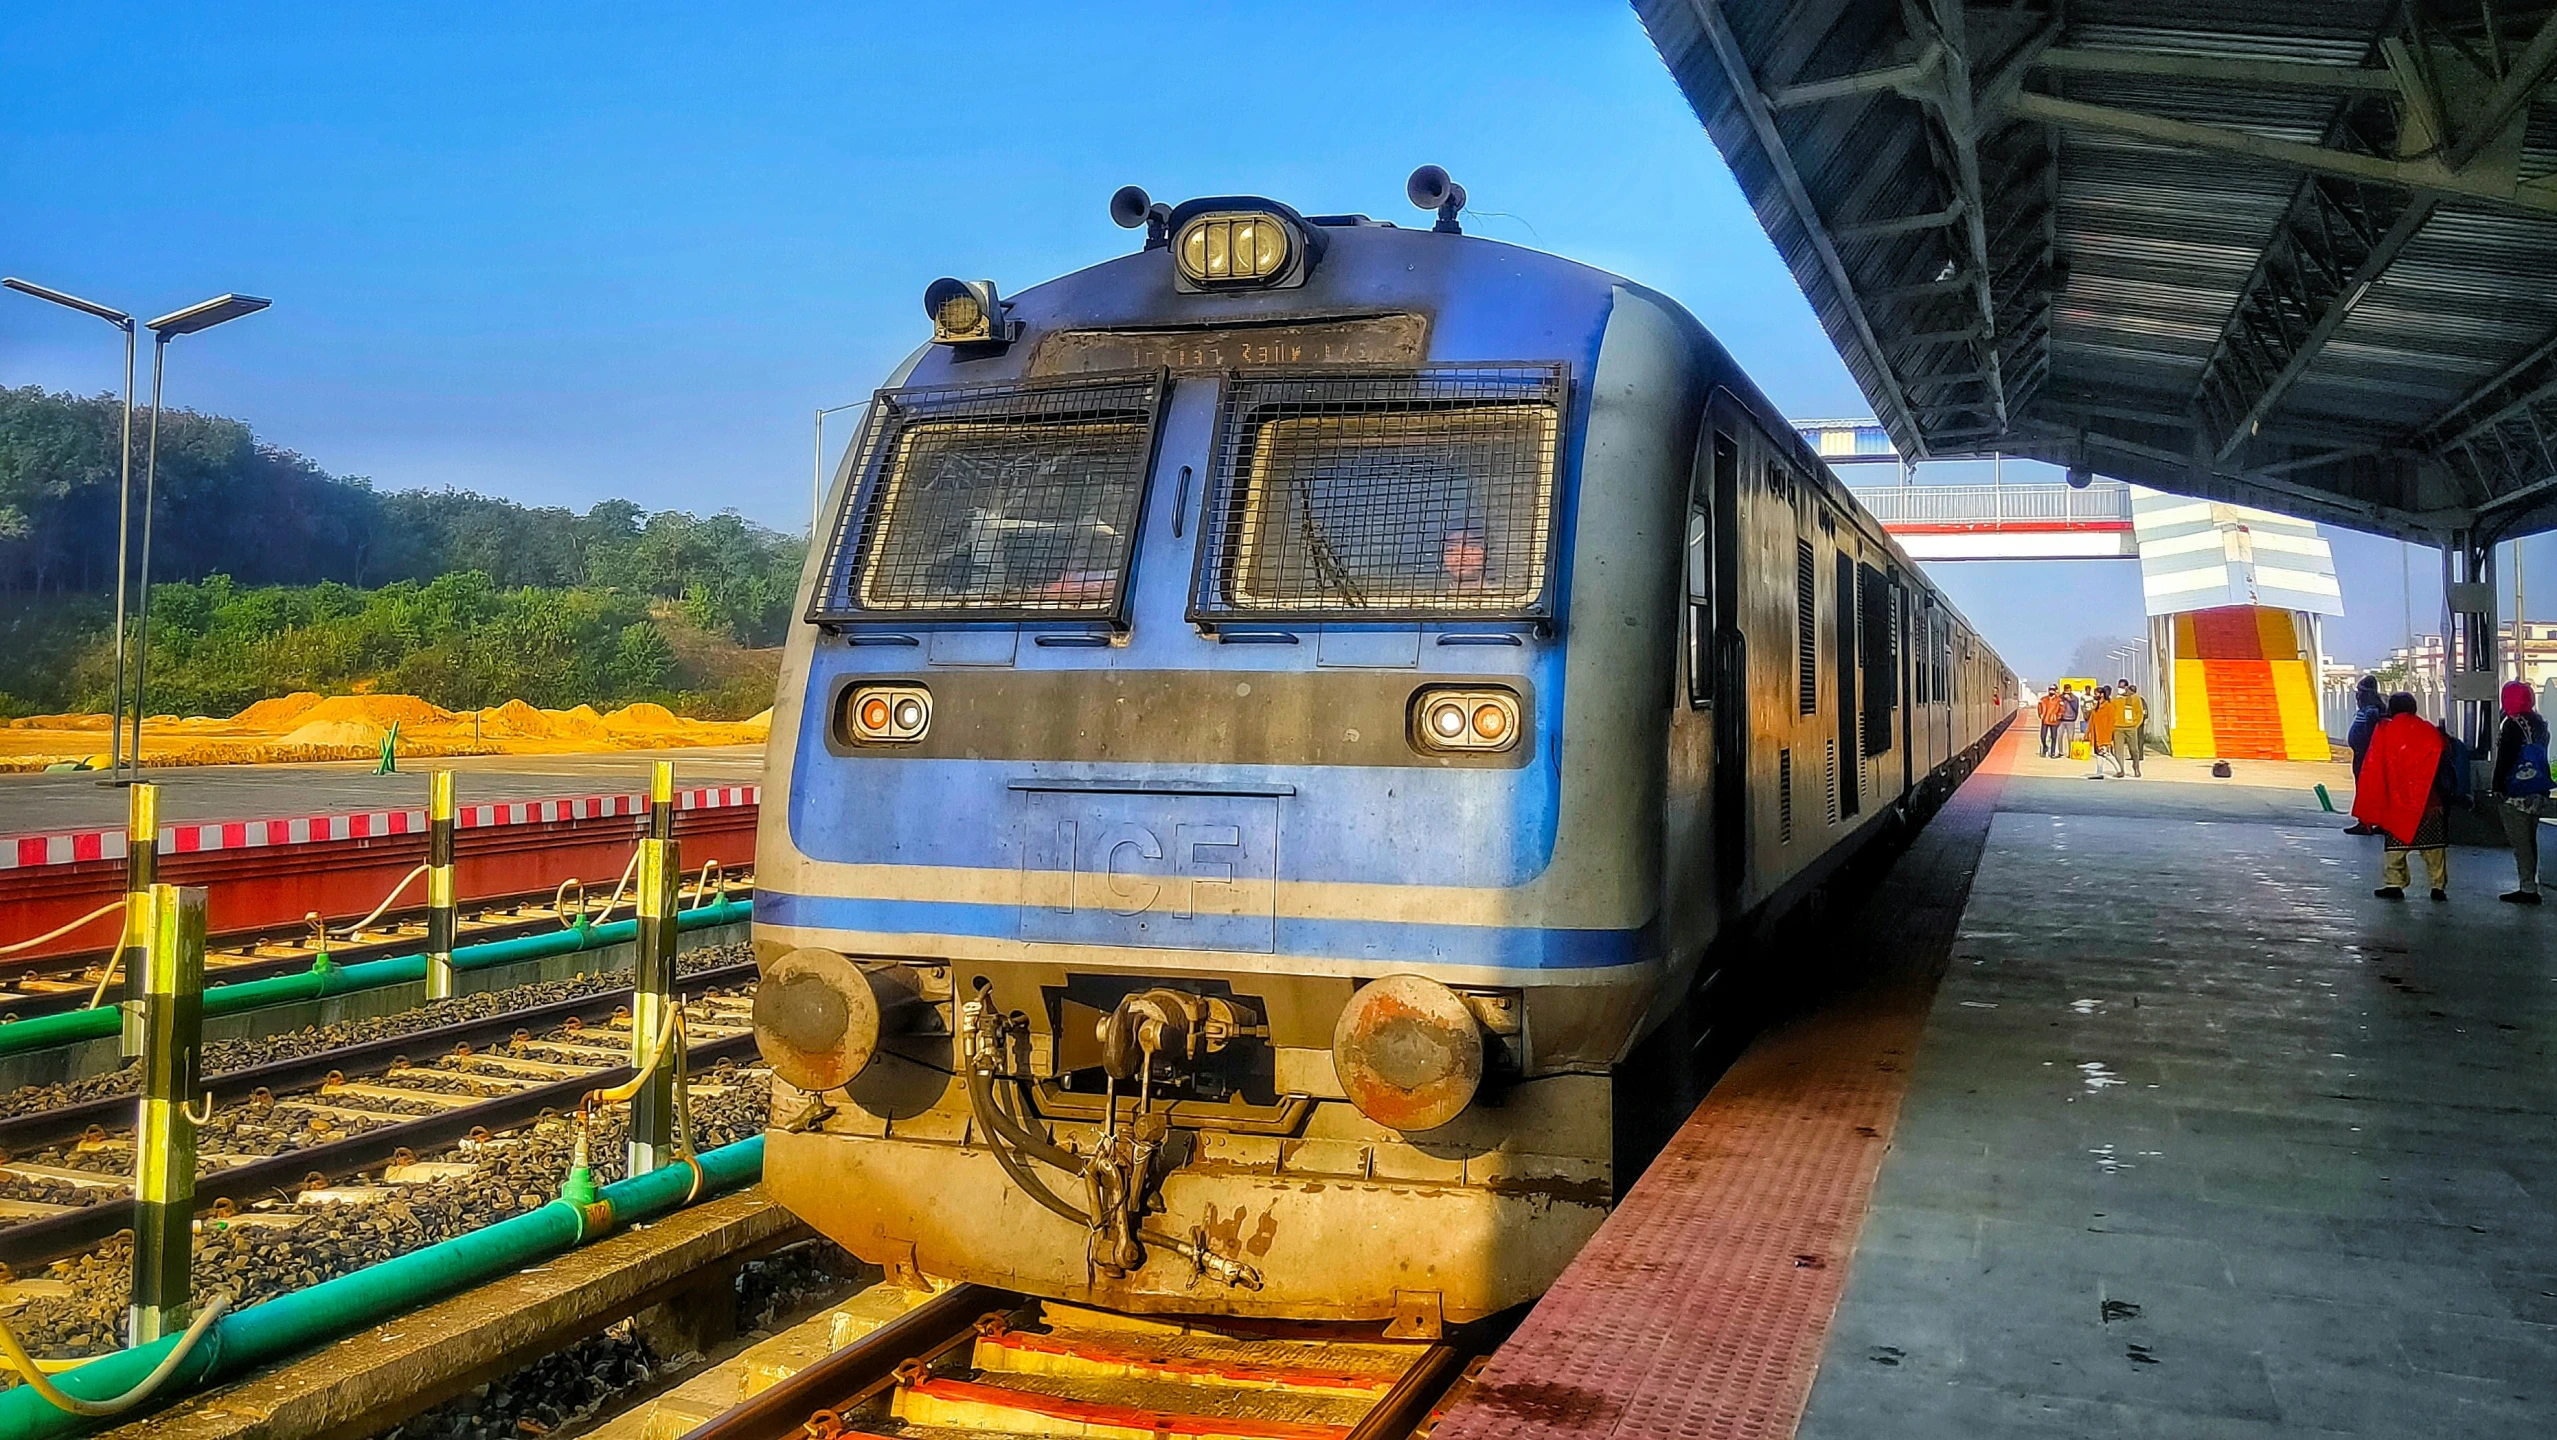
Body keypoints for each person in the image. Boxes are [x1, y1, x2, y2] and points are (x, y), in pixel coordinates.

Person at [2352, 693, 2456, 901]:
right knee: (2434, 848)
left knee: (2395, 849)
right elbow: (2444, 757)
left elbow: (2375, 764)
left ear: (2392, 709)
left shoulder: (2386, 731)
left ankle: (2394, 883)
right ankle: (2438, 887)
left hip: (2398, 800)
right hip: (2428, 799)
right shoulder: (2429, 730)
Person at [2490, 679, 2550, 905]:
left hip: (2515, 792)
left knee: (2520, 841)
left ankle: (2527, 888)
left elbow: (2505, 759)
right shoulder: (2539, 723)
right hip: (2537, 788)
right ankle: (2530, 882)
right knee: (2530, 839)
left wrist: (2497, 786)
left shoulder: (2512, 724)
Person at [2343, 675, 2386, 834]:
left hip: (2366, 756)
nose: (2357, 696)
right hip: (2362, 755)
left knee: (2365, 789)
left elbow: (2371, 733)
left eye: (2360, 692)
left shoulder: (2371, 711)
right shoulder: (2367, 709)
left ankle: (2365, 822)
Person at [2086, 686, 2122, 779]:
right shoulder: (2096, 707)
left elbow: (2111, 722)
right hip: (2096, 734)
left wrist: (2108, 737)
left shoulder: (2109, 707)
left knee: (2106, 754)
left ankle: (2119, 770)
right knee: (2099, 754)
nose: (2095, 695)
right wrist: (2087, 733)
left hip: (2104, 735)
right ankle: (2099, 772)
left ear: (2102, 694)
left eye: (2097, 693)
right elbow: (2091, 721)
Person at [2115, 682, 2146, 777]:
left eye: (2122, 687)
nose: (2120, 689)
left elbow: (2140, 713)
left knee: (2134, 749)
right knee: (2118, 750)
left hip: (2130, 727)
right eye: (2119, 687)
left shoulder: (2136, 699)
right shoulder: (2115, 699)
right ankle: (2121, 769)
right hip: (2118, 728)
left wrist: (2135, 725)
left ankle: (2136, 766)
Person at [2037, 685, 2067, 758]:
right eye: (2050, 689)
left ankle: (2052, 752)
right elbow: (2039, 707)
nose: (2051, 691)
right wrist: (2041, 714)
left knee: (2054, 737)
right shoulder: (2043, 699)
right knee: (2042, 736)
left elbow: (2062, 709)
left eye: (2053, 690)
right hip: (2045, 719)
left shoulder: (2059, 700)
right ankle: (2045, 747)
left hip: (2054, 720)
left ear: (2055, 691)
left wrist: (2058, 716)